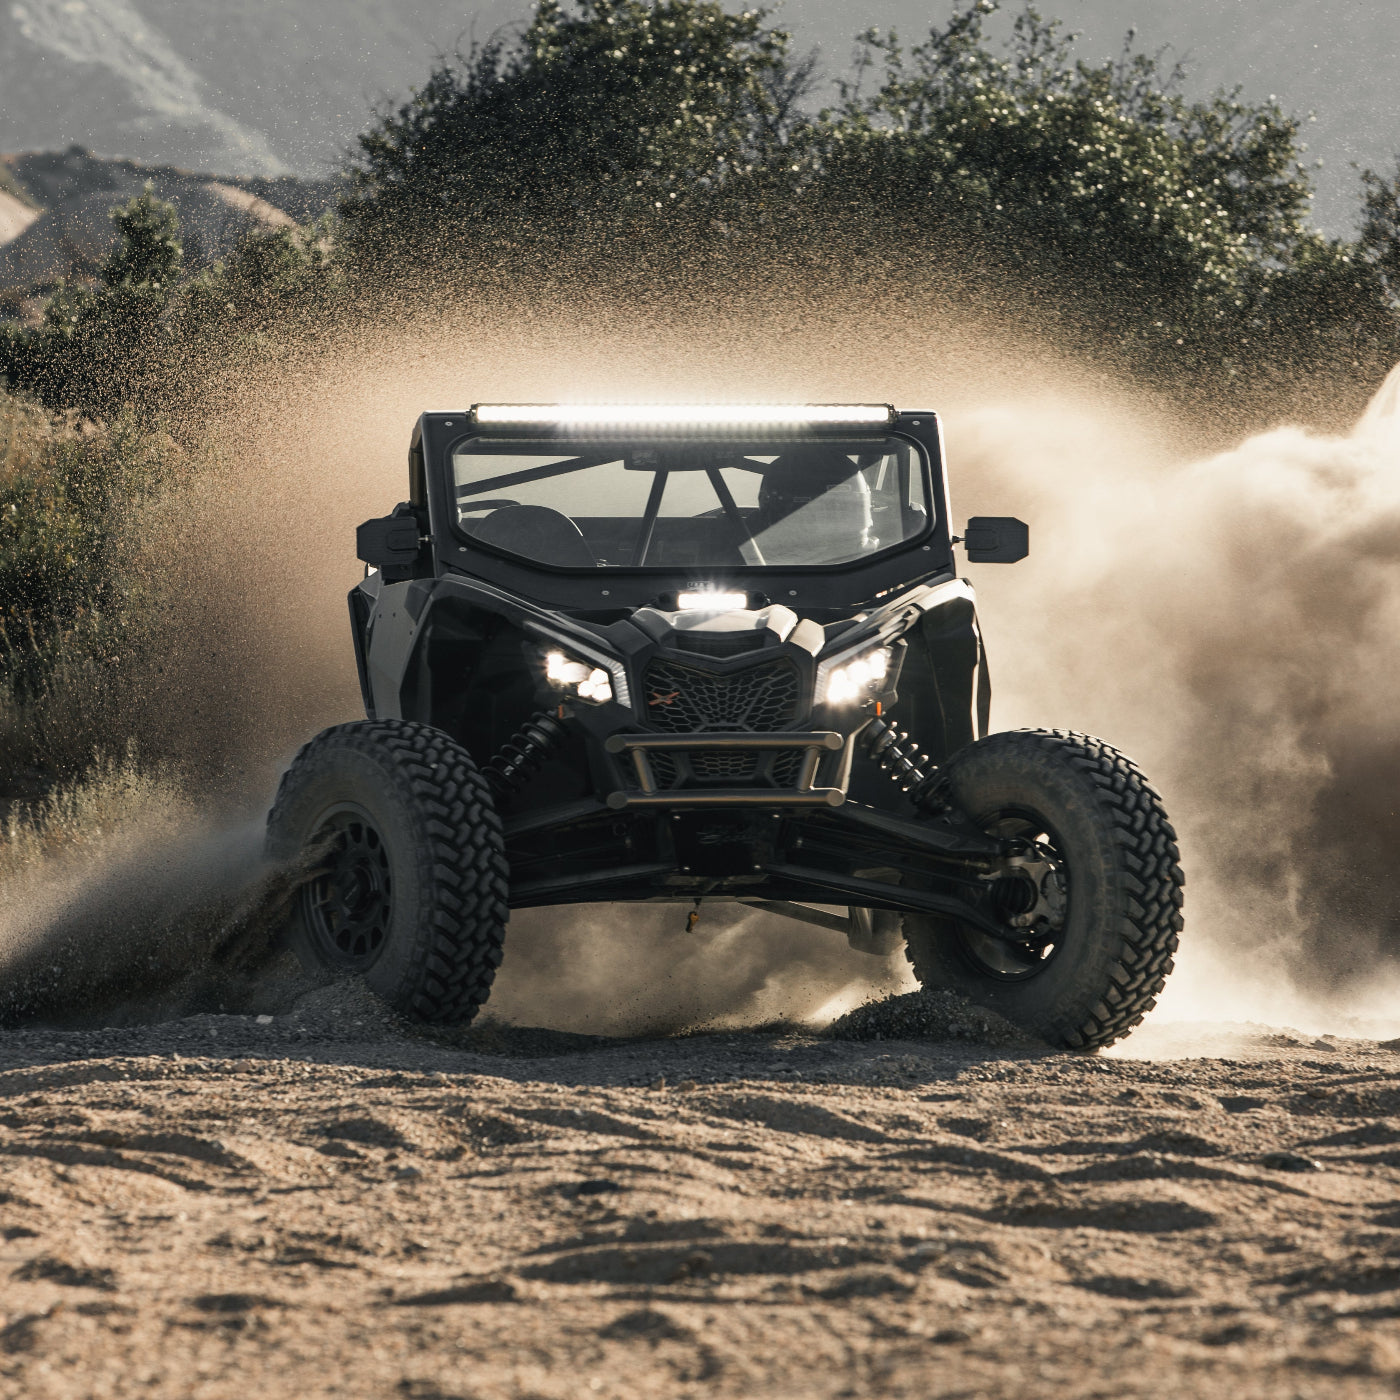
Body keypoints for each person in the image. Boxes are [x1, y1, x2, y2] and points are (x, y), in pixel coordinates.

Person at [744, 446, 876, 565]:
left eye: (846, 507)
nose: (832, 517)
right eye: (817, 509)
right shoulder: (739, 558)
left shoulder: (887, 556)